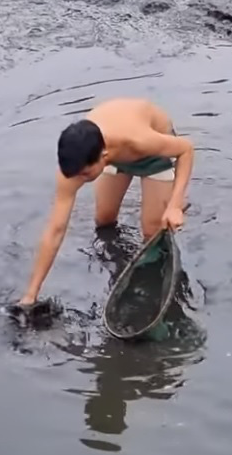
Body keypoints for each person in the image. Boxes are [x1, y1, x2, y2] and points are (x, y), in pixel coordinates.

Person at [15, 98, 194, 307]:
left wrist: (175, 203)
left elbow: (186, 150)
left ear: (103, 157)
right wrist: (31, 294)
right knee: (104, 220)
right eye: (76, 175)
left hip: (153, 152)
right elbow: (55, 230)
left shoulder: (138, 140)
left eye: (85, 175)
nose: (78, 181)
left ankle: (153, 284)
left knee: (152, 232)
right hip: (112, 147)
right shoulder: (75, 167)